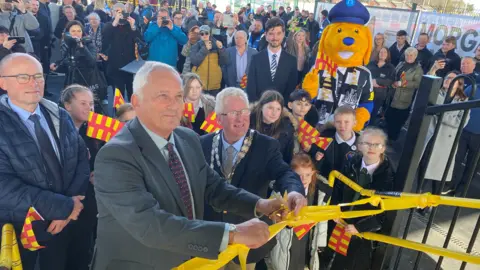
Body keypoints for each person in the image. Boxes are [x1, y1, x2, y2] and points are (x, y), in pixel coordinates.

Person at [92, 62, 286, 270]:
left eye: (178, 96)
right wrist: (232, 234)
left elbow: (213, 187)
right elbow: (151, 225)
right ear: (136, 101)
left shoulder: (188, 138)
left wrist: (260, 205)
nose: (174, 105)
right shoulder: (115, 156)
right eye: (163, 96)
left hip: (191, 261)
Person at [199, 87, 306, 269]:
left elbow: (285, 173)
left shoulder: (266, 145)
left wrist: (294, 192)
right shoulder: (202, 143)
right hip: (210, 237)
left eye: (244, 112)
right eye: (233, 113)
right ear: (219, 119)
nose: (241, 118)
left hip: (247, 242)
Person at [0, 53, 89, 270]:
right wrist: (62, 206)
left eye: (38, 76)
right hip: (23, 230)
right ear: (3, 82)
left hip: (69, 222)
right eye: (23, 77)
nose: (34, 82)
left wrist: (71, 206)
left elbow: (80, 158)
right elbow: (3, 186)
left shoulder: (59, 114)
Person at [328, 127, 394, 270]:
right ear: (359, 146)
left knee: (355, 262)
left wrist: (360, 227)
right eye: (366, 143)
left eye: (377, 144)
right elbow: (338, 189)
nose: (371, 148)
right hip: (341, 219)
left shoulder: (387, 175)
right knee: (335, 258)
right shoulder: (351, 163)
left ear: (383, 149)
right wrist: (335, 210)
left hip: (363, 229)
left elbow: (385, 211)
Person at [60, 84, 101, 269]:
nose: (89, 108)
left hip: (88, 201)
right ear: (67, 105)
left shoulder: (95, 131)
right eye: (83, 103)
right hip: (63, 201)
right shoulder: (56, 130)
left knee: (83, 249)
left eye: (91, 103)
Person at [270, 152, 331, 270]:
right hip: (287, 238)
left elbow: (322, 220)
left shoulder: (320, 193)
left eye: (307, 175)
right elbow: (272, 217)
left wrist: (321, 244)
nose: (303, 179)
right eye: (299, 175)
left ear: (313, 173)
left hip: (308, 239)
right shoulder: (279, 191)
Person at [419, 71, 467, 195]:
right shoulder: (436, 94)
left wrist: (440, 112)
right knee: (424, 169)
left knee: (439, 176)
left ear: (459, 84)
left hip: (446, 142)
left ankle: (433, 203)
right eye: (446, 77)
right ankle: (417, 198)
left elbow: (461, 122)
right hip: (431, 136)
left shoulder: (464, 101)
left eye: (451, 78)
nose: (447, 80)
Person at [247, 17, 297, 102]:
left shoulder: (291, 61)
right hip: (260, 108)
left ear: (283, 34)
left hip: (281, 110)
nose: (275, 37)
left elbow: (290, 90)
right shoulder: (256, 59)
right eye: (271, 34)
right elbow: (251, 88)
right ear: (266, 35)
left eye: (278, 33)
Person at [102, 3, 141, 100]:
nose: (120, 14)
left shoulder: (129, 25)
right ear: (113, 13)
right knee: (119, 93)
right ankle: (119, 113)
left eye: (122, 11)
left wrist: (133, 27)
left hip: (130, 64)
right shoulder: (109, 25)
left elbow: (139, 39)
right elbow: (104, 41)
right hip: (116, 65)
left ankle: (134, 112)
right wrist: (114, 23)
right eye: (117, 11)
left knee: (132, 91)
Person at [386, 47, 423, 141]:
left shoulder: (418, 69)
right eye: (407, 55)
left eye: (411, 55)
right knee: (389, 117)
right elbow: (394, 75)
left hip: (404, 98)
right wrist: (393, 83)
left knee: (397, 121)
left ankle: (392, 141)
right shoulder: (401, 63)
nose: (409, 57)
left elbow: (418, 84)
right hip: (393, 95)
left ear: (415, 56)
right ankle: (386, 138)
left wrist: (403, 83)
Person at [250, 90, 296, 164]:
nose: (274, 113)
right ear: (261, 106)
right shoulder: (247, 123)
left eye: (278, 109)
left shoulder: (286, 127)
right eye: (270, 108)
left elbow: (288, 157)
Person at [50, 20, 97, 87]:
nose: (76, 33)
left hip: (86, 82)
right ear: (68, 33)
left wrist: (82, 47)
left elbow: (92, 63)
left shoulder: (89, 44)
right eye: (73, 31)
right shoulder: (67, 45)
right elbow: (68, 65)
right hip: (70, 82)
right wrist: (57, 67)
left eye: (79, 31)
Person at [190, 24, 227, 96]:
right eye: (202, 33)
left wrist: (221, 48)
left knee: (213, 106)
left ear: (210, 34)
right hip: (199, 84)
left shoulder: (217, 44)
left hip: (214, 85)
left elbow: (225, 61)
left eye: (206, 33)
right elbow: (195, 61)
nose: (204, 35)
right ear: (199, 35)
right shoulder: (196, 46)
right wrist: (205, 49)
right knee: (200, 106)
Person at [366, 47, 395, 125]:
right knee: (364, 111)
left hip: (379, 95)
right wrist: (371, 81)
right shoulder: (371, 64)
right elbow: (364, 74)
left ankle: (369, 130)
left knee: (373, 113)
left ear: (388, 55)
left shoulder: (391, 67)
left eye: (385, 52)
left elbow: (390, 81)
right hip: (367, 92)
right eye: (381, 52)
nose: (382, 54)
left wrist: (377, 81)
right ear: (378, 54)